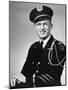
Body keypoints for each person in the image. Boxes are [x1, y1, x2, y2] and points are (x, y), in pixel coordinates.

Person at [10, 5, 66, 88]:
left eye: (45, 24)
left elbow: (53, 78)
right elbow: (26, 72)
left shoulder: (59, 47)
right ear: (35, 27)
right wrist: (17, 78)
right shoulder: (34, 47)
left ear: (51, 26)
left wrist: (26, 80)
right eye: (39, 24)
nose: (42, 28)